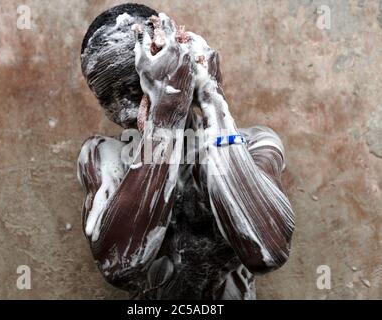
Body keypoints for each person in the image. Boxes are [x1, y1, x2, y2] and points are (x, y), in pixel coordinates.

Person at [78, 3, 295, 300]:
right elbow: (119, 268)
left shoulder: (255, 145)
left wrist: (210, 95)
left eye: (135, 87)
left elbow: (267, 252)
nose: (126, 111)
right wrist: (165, 120)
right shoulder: (104, 156)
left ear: (176, 68)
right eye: (106, 98)